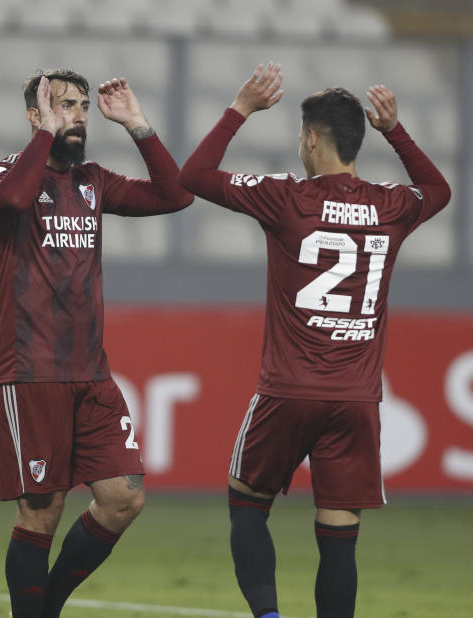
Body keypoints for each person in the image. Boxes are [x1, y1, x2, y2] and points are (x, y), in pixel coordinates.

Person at [179, 63, 451, 618]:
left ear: (309, 138)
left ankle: (269, 615)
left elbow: (195, 175)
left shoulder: (287, 199)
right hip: (356, 399)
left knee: (247, 504)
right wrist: (396, 131)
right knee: (339, 532)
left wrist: (240, 109)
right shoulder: (391, 205)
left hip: (288, 390)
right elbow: (439, 190)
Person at [0, 69, 193, 618]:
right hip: (28, 373)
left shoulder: (92, 181)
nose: (77, 115)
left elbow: (175, 195)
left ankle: (44, 607)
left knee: (123, 499)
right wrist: (46, 137)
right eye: (62, 106)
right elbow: (16, 200)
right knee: (41, 515)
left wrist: (139, 126)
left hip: (92, 375)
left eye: (80, 107)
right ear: (34, 116)